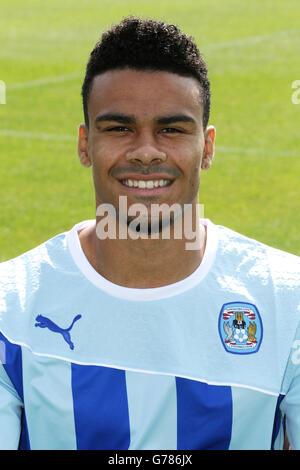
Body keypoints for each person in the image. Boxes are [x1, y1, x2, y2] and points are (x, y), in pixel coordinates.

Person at [0, 16, 299, 451]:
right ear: (85, 144)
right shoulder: (12, 309)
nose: (145, 152)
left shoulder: (287, 302)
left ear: (208, 147)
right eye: (119, 128)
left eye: (171, 129)